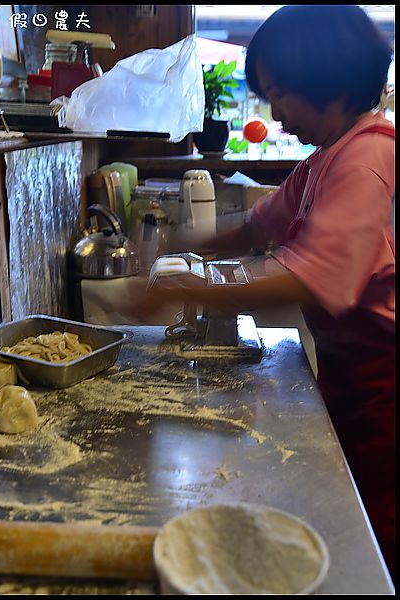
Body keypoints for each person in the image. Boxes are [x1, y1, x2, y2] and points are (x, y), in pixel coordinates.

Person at [130, 5, 395, 578]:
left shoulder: (368, 158)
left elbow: (315, 278)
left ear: (327, 83)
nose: (274, 115)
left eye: (281, 95)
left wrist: (187, 287)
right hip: (355, 376)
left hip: (388, 382)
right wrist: (178, 242)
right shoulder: (325, 158)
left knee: (376, 533)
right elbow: (255, 227)